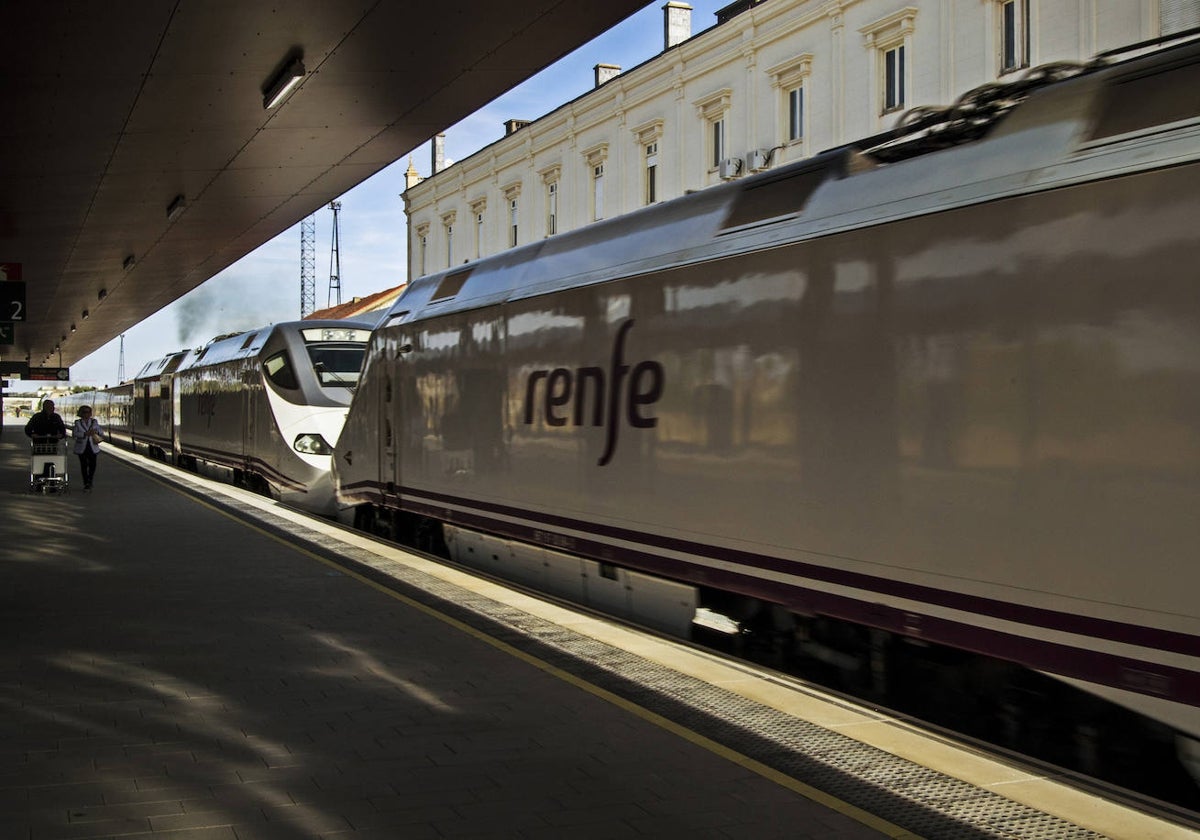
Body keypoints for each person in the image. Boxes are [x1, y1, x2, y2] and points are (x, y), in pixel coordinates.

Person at [72, 405, 104, 490]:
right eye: (85, 412)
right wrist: (84, 434)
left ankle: (90, 480)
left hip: (92, 447)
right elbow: (74, 434)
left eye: (89, 412)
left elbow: (101, 432)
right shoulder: (77, 422)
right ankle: (86, 482)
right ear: (81, 413)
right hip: (82, 447)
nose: (87, 414)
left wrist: (96, 431)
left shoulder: (94, 422)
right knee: (84, 465)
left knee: (92, 465)